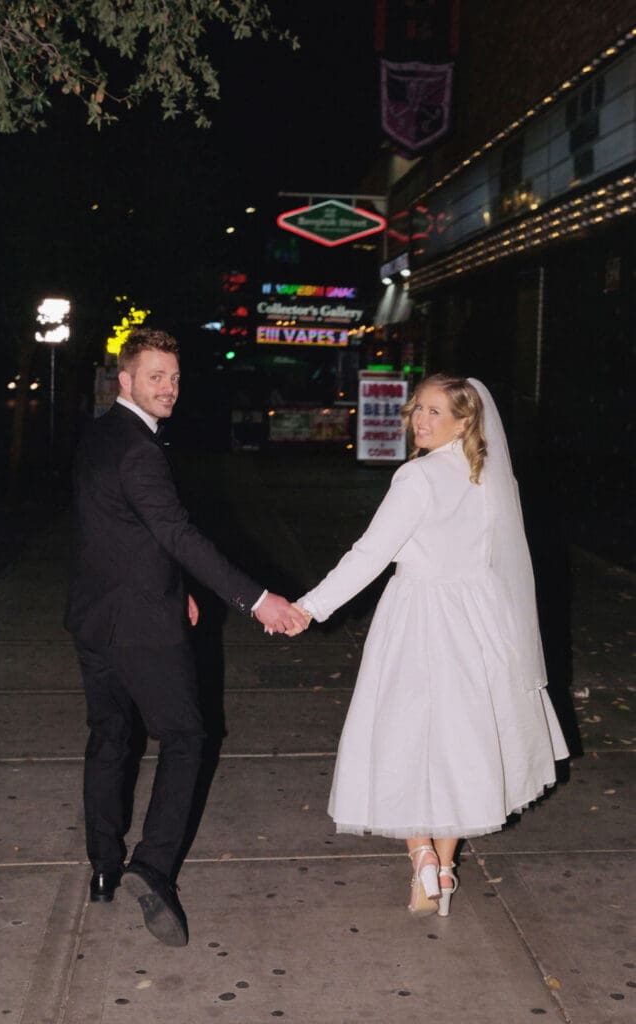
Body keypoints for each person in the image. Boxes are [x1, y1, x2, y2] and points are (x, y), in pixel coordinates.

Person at [65, 328, 308, 947]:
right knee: (186, 737)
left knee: (111, 735)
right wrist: (257, 600)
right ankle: (152, 865)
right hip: (142, 626)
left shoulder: (100, 434)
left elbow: (115, 526)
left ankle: (103, 867)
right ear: (125, 380)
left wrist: (180, 588)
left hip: (95, 618)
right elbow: (176, 533)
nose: (169, 388)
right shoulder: (141, 450)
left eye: (174, 377)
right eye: (156, 377)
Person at [295, 375, 568, 917]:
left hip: (420, 616)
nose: (420, 419)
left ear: (464, 422)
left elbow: (370, 554)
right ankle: (444, 866)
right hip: (480, 616)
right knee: (464, 738)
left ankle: (421, 854)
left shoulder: (416, 476)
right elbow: (507, 560)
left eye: (436, 412)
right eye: (418, 408)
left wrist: (309, 607)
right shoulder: (490, 475)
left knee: (407, 735)